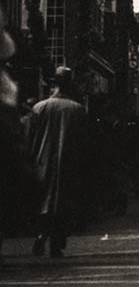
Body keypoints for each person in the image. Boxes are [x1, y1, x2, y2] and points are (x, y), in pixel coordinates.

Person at [27, 67, 87, 258]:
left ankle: (41, 234)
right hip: (67, 164)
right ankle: (55, 244)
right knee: (63, 204)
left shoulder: (39, 108)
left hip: (41, 163)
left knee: (43, 203)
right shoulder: (77, 110)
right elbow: (83, 142)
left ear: (53, 85)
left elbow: (29, 139)